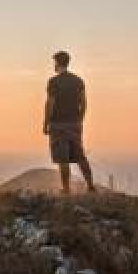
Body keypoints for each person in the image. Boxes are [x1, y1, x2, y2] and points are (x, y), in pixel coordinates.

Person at [43, 51, 96, 194]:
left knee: (62, 158)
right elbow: (84, 103)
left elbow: (50, 104)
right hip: (75, 123)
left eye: (55, 63)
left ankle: (66, 189)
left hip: (58, 124)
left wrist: (45, 123)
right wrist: (80, 120)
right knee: (80, 156)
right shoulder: (78, 81)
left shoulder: (53, 82)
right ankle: (90, 186)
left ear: (57, 63)